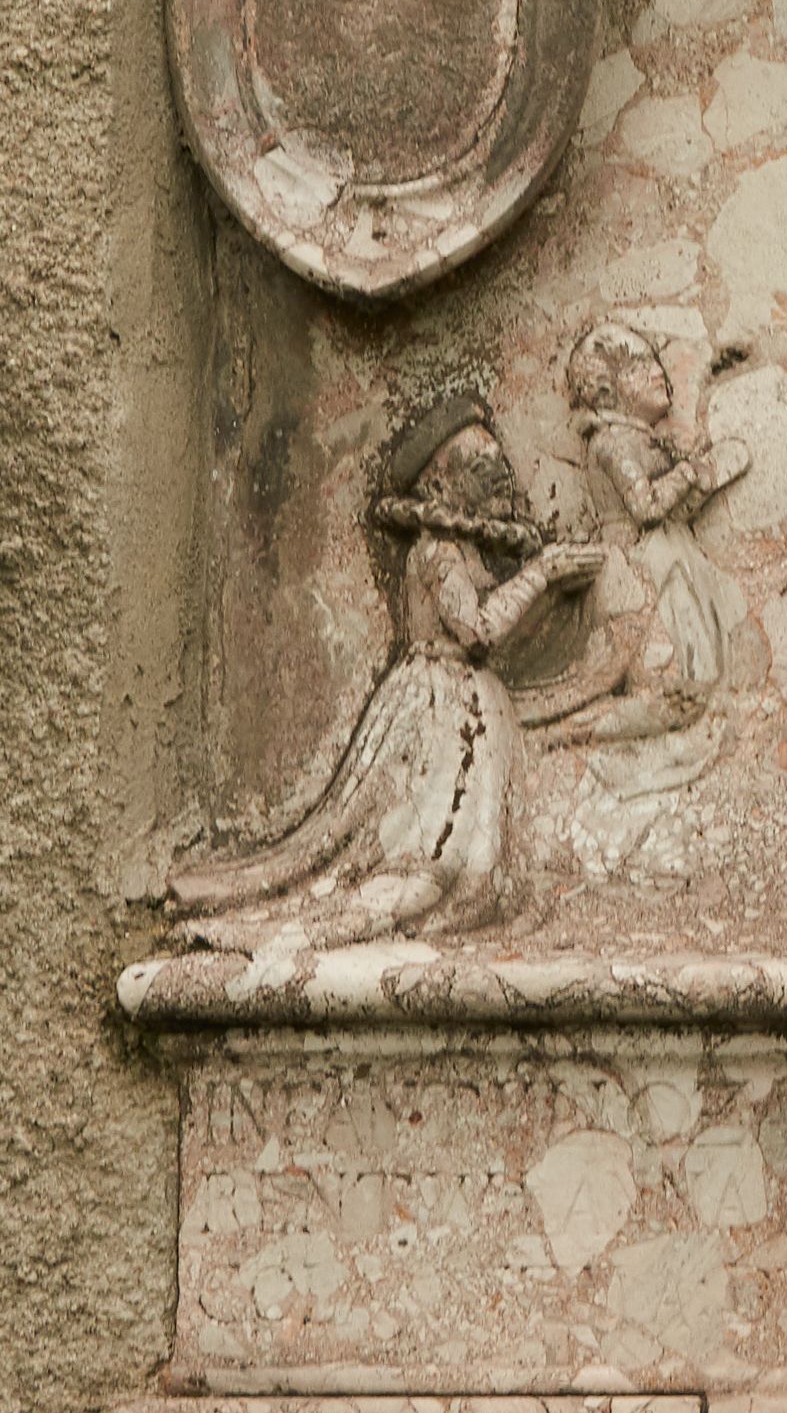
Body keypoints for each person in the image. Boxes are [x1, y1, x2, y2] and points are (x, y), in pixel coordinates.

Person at [168, 397, 603, 950]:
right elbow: (478, 631)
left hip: (466, 702)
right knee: (430, 857)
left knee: (476, 854)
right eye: (479, 466)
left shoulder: (463, 549)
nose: (500, 474)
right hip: (439, 709)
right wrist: (542, 574)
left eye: (498, 462)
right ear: (440, 487)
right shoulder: (437, 552)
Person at [554, 320, 750, 781]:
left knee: (702, 671)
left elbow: (675, 506)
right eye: (640, 364)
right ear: (606, 391)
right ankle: (574, 737)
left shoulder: (642, 439)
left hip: (672, 553)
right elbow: (645, 507)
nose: (657, 370)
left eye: (654, 360)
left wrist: (705, 476)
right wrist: (688, 473)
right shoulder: (610, 442)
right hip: (641, 562)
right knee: (674, 679)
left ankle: (687, 725)